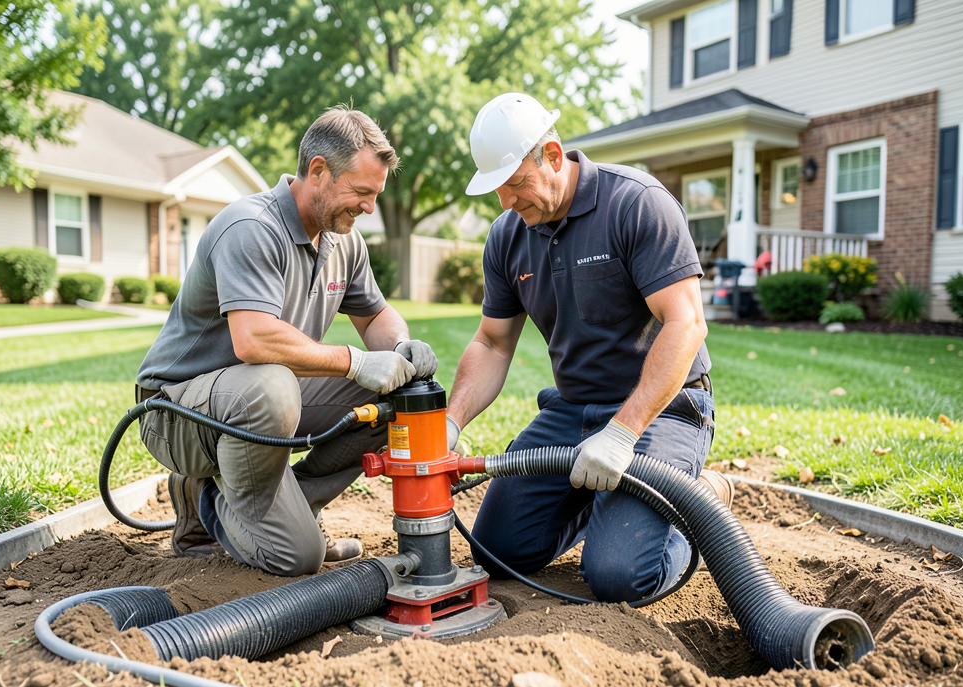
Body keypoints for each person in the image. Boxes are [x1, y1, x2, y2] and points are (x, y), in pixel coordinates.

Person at [445, 93, 733, 604]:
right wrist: (451, 421)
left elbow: (686, 324)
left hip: (663, 412)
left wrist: (622, 435)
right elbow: (492, 342)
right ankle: (605, 503)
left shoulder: (636, 202)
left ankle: (701, 498)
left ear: (553, 156)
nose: (506, 202)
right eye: (497, 190)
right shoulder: (507, 237)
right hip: (572, 412)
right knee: (494, 555)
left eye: (515, 184)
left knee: (620, 578)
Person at [135, 106, 437, 576]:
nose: (369, 208)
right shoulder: (252, 227)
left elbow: (375, 313)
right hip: (178, 412)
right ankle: (207, 496)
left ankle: (293, 509)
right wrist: (355, 362)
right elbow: (253, 340)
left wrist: (400, 347)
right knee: (296, 557)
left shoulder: (343, 241)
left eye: (375, 195)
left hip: (260, 398)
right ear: (318, 171)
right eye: (361, 192)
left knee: (397, 395)